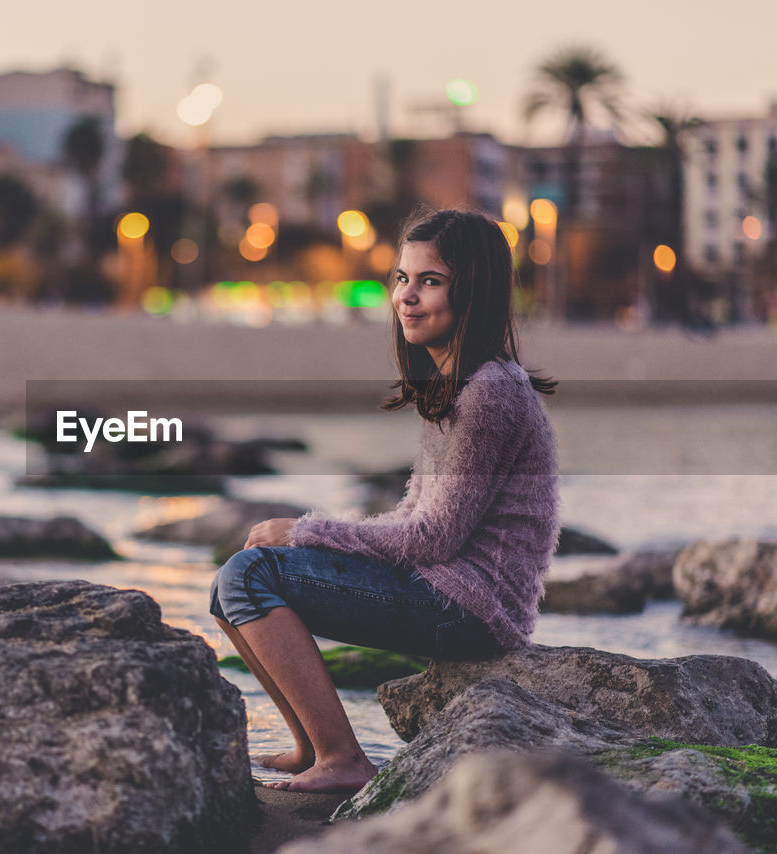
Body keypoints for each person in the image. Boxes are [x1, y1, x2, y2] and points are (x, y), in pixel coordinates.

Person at [209, 206, 560, 794]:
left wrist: (302, 532)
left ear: (474, 290)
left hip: (471, 608)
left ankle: (343, 758)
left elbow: (432, 539)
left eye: (430, 281)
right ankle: (312, 747)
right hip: (450, 592)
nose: (407, 297)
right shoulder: (463, 386)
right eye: (402, 278)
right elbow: (414, 520)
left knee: (249, 575)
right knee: (230, 584)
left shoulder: (491, 393)